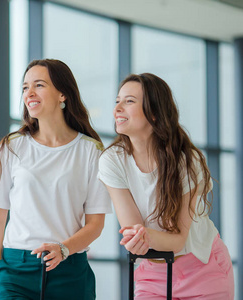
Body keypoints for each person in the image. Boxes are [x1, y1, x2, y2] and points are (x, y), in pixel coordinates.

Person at [98, 73, 234, 299]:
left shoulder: (186, 160)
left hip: (203, 268)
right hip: (152, 272)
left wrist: (143, 236)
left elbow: (178, 239)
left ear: (154, 113)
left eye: (129, 101)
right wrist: (139, 238)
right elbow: (134, 232)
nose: (117, 108)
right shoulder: (111, 161)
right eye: (117, 101)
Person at [0, 59, 111, 300]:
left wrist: (64, 250)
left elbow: (95, 224)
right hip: (14, 271)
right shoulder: (12, 147)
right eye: (25, 87)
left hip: (70, 272)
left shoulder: (91, 151)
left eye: (39, 85)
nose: (29, 93)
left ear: (63, 94)